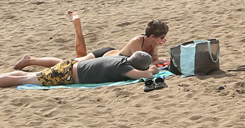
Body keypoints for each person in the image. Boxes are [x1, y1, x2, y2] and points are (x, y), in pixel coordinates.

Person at [15, 13, 169, 70]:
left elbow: (153, 60)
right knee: (68, 64)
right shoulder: (138, 41)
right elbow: (139, 64)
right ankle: (30, 59)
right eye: (161, 38)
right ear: (152, 36)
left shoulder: (152, 43)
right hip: (105, 56)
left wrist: (159, 55)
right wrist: (159, 61)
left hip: (111, 56)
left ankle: (78, 28)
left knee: (79, 55)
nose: (164, 40)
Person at [0, 52, 155, 89]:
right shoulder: (124, 68)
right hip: (66, 75)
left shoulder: (119, 58)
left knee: (27, 76)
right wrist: (152, 70)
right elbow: (146, 75)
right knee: (23, 80)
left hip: (68, 66)